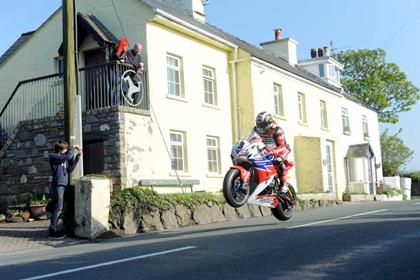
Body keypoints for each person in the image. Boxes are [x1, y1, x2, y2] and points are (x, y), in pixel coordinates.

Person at [252, 111, 294, 193]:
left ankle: (283, 184)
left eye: (262, 125)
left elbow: (282, 145)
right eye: (259, 124)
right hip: (265, 149)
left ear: (269, 122)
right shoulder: (256, 130)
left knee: (277, 160)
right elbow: (251, 140)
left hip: (281, 149)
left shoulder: (277, 130)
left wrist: (274, 151)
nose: (260, 127)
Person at [48, 140, 82, 239]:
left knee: (60, 208)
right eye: (65, 148)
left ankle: (54, 228)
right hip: (58, 185)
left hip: (65, 184)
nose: (67, 150)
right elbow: (67, 156)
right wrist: (73, 147)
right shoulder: (53, 156)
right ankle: (52, 231)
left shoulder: (64, 159)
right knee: (58, 207)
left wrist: (78, 156)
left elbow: (70, 169)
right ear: (59, 149)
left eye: (67, 148)